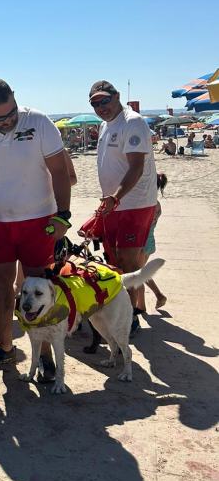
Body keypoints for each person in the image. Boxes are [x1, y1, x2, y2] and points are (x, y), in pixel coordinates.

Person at [0, 78, 72, 373]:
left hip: (39, 221)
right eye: (0, 117)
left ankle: (45, 353)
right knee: (1, 286)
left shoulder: (37, 121)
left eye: (12, 113)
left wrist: (63, 215)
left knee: (39, 288)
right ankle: (6, 348)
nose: (8, 121)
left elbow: (59, 170)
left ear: (15, 99)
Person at [90, 80, 158, 336]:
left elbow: (136, 167)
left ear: (116, 96)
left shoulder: (133, 121)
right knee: (114, 259)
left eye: (104, 100)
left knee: (128, 261)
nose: (100, 107)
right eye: (95, 103)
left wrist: (116, 197)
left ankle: (129, 320)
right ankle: (128, 310)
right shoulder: (105, 125)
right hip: (113, 204)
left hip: (134, 203)